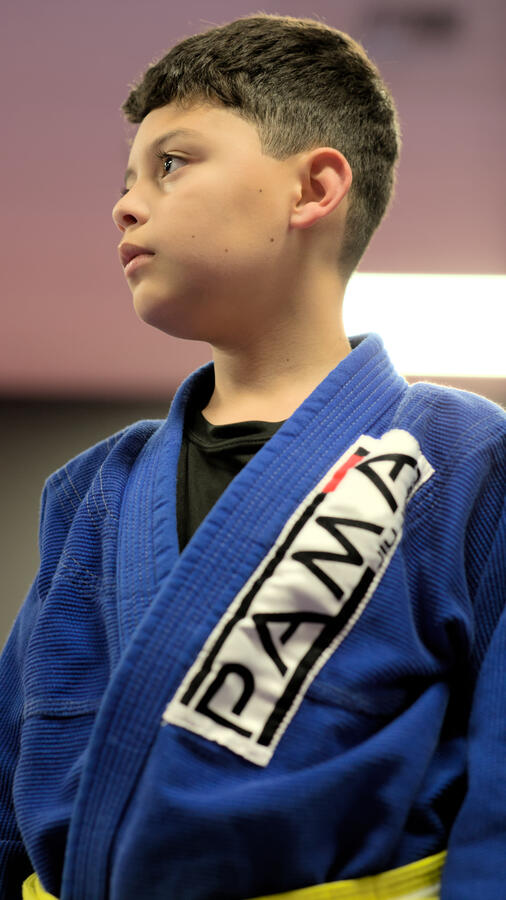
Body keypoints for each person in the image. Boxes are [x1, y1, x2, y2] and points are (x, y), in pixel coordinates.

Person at [1, 12, 504, 900]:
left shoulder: (463, 462)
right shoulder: (89, 493)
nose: (124, 203)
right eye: (126, 179)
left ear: (313, 188)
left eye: (172, 163)